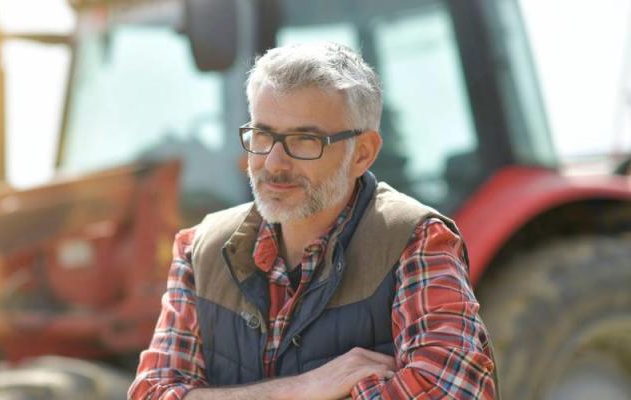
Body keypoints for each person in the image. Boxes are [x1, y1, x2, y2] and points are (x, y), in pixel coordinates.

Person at [128, 42, 497, 399]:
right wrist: (301, 389)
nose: (273, 163)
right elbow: (152, 393)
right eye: (262, 134)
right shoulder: (199, 250)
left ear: (362, 153)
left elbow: (450, 392)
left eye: (305, 140)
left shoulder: (414, 241)